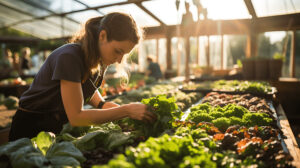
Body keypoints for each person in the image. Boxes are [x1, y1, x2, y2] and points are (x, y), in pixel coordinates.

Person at [9, 12, 156, 141]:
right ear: (102, 36)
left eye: (124, 54)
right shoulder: (69, 56)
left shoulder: (98, 58)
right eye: (118, 51)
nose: (119, 60)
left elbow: (82, 85)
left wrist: (101, 104)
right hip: (30, 126)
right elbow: (77, 117)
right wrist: (126, 110)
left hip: (53, 125)